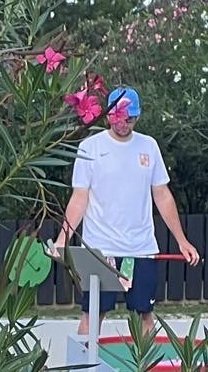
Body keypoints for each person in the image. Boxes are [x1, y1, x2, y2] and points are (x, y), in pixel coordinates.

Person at [53, 86, 200, 336]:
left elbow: (162, 195)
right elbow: (79, 198)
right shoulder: (90, 147)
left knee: (145, 313)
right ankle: (84, 362)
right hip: (101, 249)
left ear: (138, 117)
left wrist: (182, 240)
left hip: (141, 247)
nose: (123, 123)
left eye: (130, 118)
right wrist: (62, 240)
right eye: (118, 117)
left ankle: (145, 362)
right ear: (108, 115)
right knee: (93, 313)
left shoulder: (149, 146)